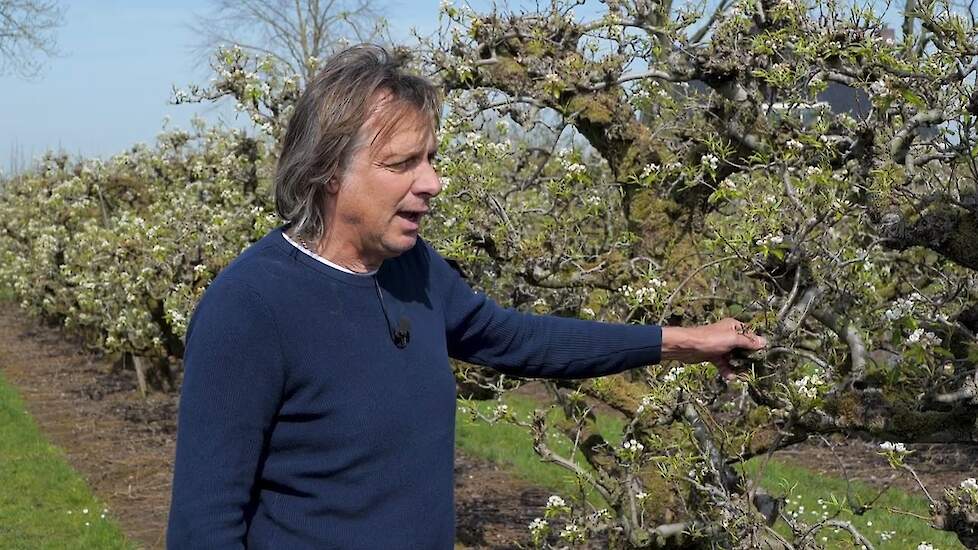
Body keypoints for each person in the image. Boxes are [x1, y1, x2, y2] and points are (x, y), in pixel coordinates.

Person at [166, 44, 766, 549]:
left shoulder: (412, 270)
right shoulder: (250, 308)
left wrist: (681, 342)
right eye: (402, 164)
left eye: (430, 159)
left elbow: (518, 339)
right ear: (328, 173)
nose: (431, 183)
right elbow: (203, 526)